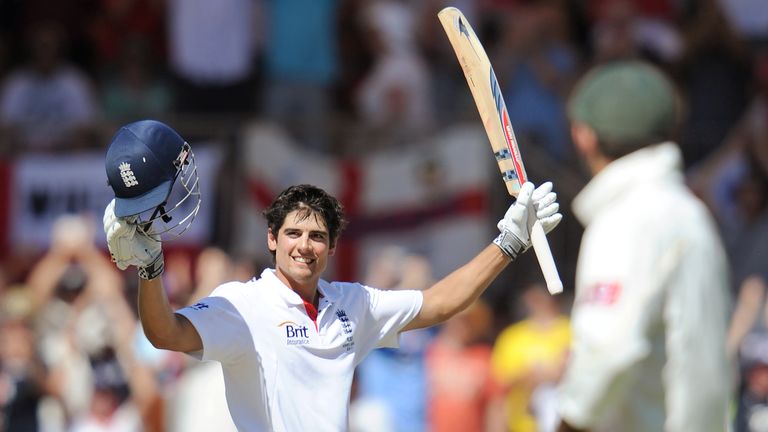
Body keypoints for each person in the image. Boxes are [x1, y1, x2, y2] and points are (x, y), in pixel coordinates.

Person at [99, 119, 562, 431]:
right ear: (272, 240)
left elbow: (441, 301)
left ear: (332, 248)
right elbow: (164, 334)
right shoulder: (243, 304)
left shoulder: (353, 303)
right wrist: (151, 269)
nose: (305, 245)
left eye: (317, 236)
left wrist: (510, 242)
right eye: (294, 233)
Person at [555, 60, 731, 432]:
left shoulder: (628, 218)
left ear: (583, 135)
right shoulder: (692, 214)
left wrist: (568, 423)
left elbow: (608, 350)